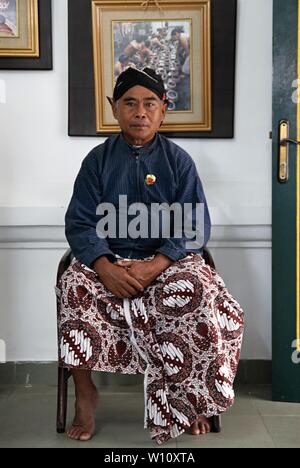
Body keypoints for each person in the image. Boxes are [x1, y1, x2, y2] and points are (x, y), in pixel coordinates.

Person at [57, 67, 244, 445]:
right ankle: (84, 393)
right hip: (110, 259)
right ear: (114, 108)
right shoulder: (97, 161)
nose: (139, 112)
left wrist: (157, 263)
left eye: (149, 104)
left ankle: (193, 399)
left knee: (198, 289)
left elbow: (194, 224)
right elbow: (79, 223)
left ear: (163, 109)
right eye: (129, 103)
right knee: (73, 284)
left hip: (167, 262)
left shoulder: (178, 161)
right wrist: (104, 266)